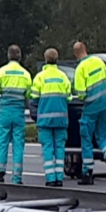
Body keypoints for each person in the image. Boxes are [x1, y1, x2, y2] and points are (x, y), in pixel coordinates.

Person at [73, 41, 106, 184]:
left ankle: (87, 173)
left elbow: (80, 94)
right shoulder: (99, 61)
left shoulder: (80, 68)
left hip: (91, 106)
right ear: (86, 49)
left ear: (76, 54)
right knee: (103, 135)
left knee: (86, 137)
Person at [0, 45, 32, 184]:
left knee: (2, 142)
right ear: (20, 57)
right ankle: (17, 176)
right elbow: (29, 94)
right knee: (18, 144)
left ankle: (1, 171)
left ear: (8, 56)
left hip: (5, 111)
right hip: (18, 111)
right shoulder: (25, 74)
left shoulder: (2, 72)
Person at [30, 48, 71, 187]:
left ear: (45, 59)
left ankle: (50, 178)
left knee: (48, 149)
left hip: (45, 120)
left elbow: (34, 98)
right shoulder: (63, 76)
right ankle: (60, 178)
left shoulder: (40, 77)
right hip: (61, 120)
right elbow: (69, 97)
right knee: (60, 148)